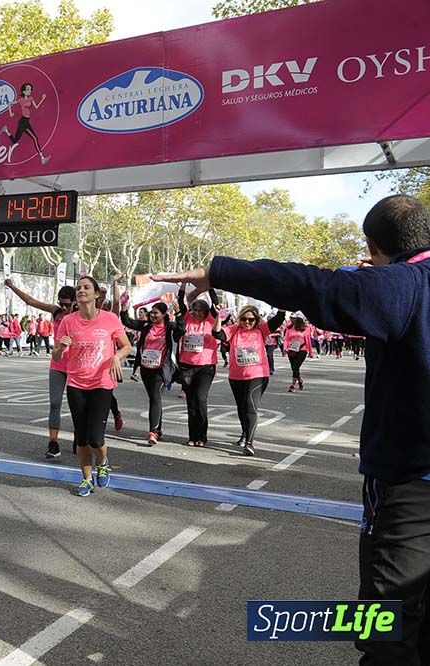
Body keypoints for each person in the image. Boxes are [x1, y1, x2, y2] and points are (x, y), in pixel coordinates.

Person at [154, 194, 430, 664]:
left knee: (390, 624)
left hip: (411, 484)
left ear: (372, 244)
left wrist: (217, 272)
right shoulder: (401, 281)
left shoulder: (404, 285)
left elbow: (305, 284)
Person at [53, 276, 130, 496]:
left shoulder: (110, 319)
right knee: (82, 437)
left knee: (96, 438)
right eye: (78, 288)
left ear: (96, 294)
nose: (80, 290)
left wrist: (116, 357)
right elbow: (57, 357)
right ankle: (86, 479)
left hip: (101, 384)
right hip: (76, 383)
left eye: (86, 287)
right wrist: (61, 347)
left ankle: (103, 461)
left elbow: (126, 346)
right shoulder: (68, 321)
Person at [6, 279, 79, 458]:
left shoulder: (81, 315)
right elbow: (31, 301)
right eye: (60, 303)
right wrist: (12, 286)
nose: (63, 307)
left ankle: (80, 435)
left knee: (77, 405)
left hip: (76, 366)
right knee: (55, 403)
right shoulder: (56, 313)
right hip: (57, 364)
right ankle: (53, 443)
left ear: (75, 302)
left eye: (67, 305)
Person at [218, 305, 284, 456]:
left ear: (256, 320)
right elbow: (218, 334)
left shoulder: (261, 330)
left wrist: (281, 303)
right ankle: (244, 432)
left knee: (250, 405)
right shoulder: (234, 330)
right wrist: (218, 318)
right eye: (244, 319)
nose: (247, 322)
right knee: (241, 408)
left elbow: (279, 319)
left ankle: (249, 442)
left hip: (258, 374)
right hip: (236, 376)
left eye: (251, 319)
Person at [120, 300, 181, 447]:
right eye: (151, 313)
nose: (152, 315)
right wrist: (124, 308)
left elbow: (182, 330)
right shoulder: (146, 326)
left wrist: (179, 314)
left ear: (164, 314)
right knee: (153, 398)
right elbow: (128, 322)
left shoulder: (169, 327)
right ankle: (158, 429)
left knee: (155, 397)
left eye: (156, 313)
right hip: (146, 368)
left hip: (160, 369)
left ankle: (153, 431)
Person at [174, 286, 224, 447]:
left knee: (200, 399)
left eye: (199, 310)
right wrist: (182, 285)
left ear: (205, 311)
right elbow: (180, 301)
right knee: (191, 402)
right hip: (187, 366)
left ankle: (202, 435)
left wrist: (209, 286)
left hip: (206, 366)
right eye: (193, 309)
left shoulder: (210, 319)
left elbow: (215, 305)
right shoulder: (187, 318)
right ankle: (192, 436)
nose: (195, 312)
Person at [283, 313, 313, 392]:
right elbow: (286, 339)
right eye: (292, 318)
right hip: (292, 350)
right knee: (294, 368)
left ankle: (292, 385)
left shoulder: (305, 329)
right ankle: (300, 381)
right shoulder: (289, 328)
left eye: (295, 318)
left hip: (302, 350)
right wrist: (285, 348)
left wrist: (310, 352)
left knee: (296, 367)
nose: (293, 320)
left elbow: (308, 341)